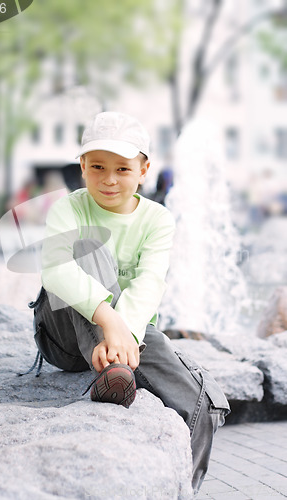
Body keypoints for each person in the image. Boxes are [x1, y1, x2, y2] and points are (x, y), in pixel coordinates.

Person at [29, 112, 230, 495]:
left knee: (200, 399)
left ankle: (182, 489)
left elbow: (150, 282)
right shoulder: (68, 209)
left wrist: (127, 329)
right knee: (90, 245)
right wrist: (111, 321)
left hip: (129, 334)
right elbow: (55, 272)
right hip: (62, 337)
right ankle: (116, 367)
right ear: (83, 167)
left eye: (122, 168)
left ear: (143, 170)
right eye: (98, 167)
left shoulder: (157, 219)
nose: (109, 179)